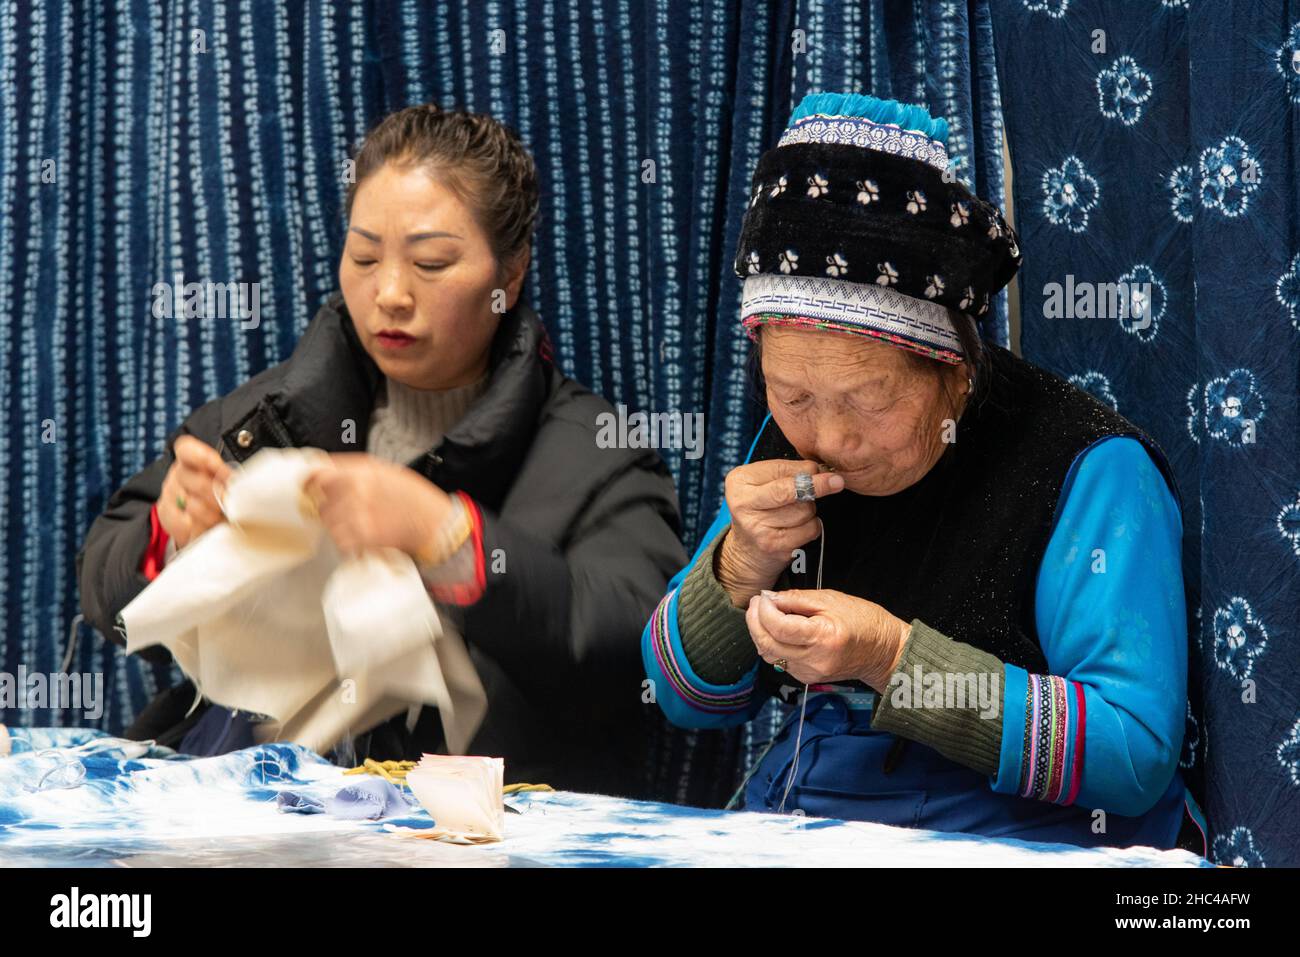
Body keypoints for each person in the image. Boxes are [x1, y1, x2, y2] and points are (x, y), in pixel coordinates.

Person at [643, 91, 1206, 851]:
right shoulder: (785, 446)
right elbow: (682, 698)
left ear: (950, 364)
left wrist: (891, 657)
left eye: (868, 398)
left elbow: (1134, 750)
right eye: (792, 392)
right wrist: (738, 567)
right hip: (821, 820)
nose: (829, 435)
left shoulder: (1089, 467)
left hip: (1021, 840)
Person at [77, 103, 686, 798]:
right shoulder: (266, 418)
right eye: (364, 256)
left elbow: (638, 646)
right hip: (245, 801)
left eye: (431, 262)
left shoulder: (595, 453)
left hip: (461, 824)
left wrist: (448, 536)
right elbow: (106, 590)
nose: (389, 293)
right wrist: (171, 533)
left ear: (509, 276)